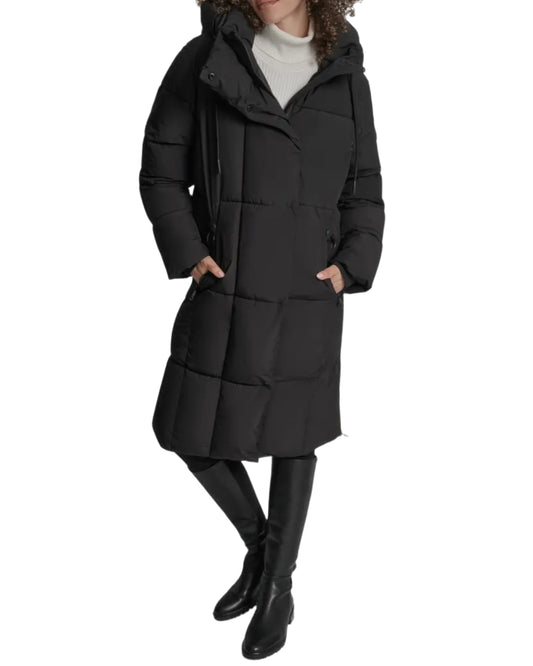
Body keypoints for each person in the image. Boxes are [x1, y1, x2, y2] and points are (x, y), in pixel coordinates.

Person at [139, 0, 385, 659]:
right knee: (184, 430)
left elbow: (364, 187)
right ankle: (261, 548)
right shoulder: (206, 59)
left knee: (293, 437)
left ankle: (277, 586)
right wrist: (191, 252)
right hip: (228, 282)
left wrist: (349, 267)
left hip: (307, 288)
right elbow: (161, 169)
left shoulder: (344, 71)